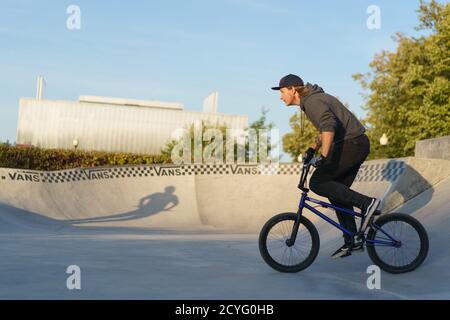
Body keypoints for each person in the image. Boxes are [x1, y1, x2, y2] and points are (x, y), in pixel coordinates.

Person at [271, 74, 380, 259]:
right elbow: (327, 129)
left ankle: (368, 203)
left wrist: (323, 156)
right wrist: (313, 148)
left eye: (282, 92)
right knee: (336, 192)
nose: (281, 97)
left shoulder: (312, 101)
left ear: (293, 89)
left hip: (351, 144)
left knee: (318, 182)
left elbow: (328, 127)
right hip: (354, 143)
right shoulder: (312, 100)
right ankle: (352, 239)